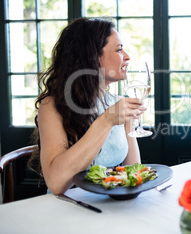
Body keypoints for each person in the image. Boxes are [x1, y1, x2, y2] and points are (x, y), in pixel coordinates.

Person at [29, 18, 145, 195]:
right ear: (93, 57)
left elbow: (134, 172)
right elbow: (56, 183)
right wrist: (106, 121)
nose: (127, 56)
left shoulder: (118, 104)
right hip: (68, 208)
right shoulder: (52, 106)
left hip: (109, 204)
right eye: (119, 49)